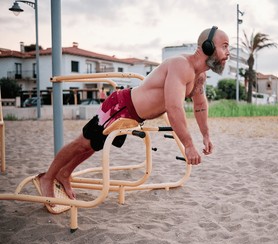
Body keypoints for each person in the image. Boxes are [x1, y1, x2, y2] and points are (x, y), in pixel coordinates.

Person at [37, 26, 230, 200]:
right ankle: (48, 177)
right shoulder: (181, 65)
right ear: (207, 46)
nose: (227, 53)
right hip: (121, 106)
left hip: (133, 115)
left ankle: (65, 174)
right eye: (225, 46)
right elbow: (174, 107)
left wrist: (205, 134)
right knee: (83, 143)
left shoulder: (199, 76)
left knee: (94, 145)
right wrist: (188, 145)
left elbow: (200, 105)